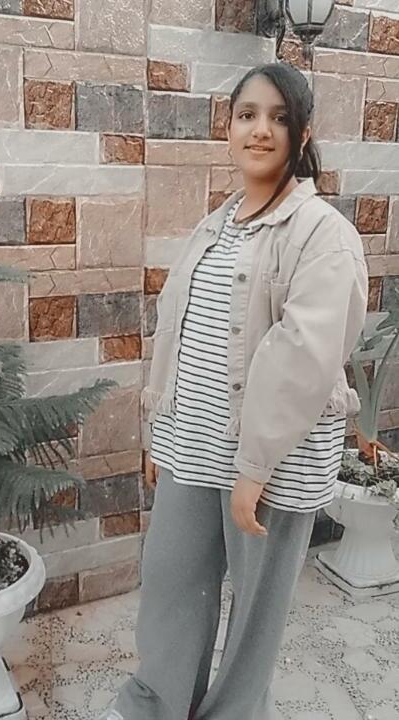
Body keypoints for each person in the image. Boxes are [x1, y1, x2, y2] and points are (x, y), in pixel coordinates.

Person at [100, 62, 368, 720]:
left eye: (279, 117)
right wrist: (161, 435)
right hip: (193, 446)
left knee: (253, 618)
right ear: (228, 127)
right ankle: (154, 708)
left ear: (302, 134)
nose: (260, 130)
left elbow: (304, 355)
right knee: (171, 587)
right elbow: (177, 331)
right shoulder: (217, 223)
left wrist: (254, 466)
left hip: (271, 463)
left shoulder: (322, 233)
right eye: (247, 115)